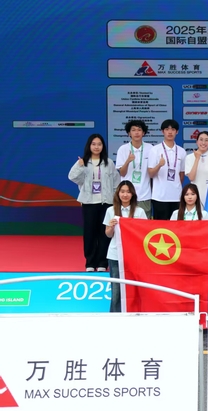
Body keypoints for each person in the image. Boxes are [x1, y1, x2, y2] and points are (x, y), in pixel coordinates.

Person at [68, 134, 119, 272]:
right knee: (90, 233)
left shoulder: (109, 163)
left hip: (106, 203)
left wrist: (114, 201)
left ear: (103, 146)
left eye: (99, 144)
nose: (96, 147)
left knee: (104, 233)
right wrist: (79, 166)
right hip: (89, 202)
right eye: (94, 144)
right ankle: (90, 262)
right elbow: (72, 177)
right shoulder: (83, 162)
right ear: (89, 146)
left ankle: (102, 262)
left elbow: (116, 183)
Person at [103, 180, 147, 312]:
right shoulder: (111, 210)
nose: (125, 195)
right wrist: (111, 227)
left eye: (128, 192)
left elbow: (145, 233)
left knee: (135, 288)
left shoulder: (139, 211)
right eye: (122, 192)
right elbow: (108, 234)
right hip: (115, 255)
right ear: (118, 193)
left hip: (134, 256)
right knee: (116, 291)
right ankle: (115, 317)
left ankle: (134, 315)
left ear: (132, 194)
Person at [147, 119, 186, 220]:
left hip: (176, 196)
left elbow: (181, 174)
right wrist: (159, 165)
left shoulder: (181, 151)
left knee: (176, 226)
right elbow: (150, 174)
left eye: (173, 129)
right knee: (161, 226)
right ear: (162, 131)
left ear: (177, 132)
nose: (170, 132)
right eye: (167, 129)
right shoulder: (155, 150)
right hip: (159, 197)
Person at [115, 119, 153, 219]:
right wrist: (128, 161)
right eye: (133, 130)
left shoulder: (150, 148)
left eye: (139, 130)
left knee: (144, 225)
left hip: (144, 194)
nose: (136, 132)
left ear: (143, 133)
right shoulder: (123, 149)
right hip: (127, 195)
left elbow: (152, 173)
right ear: (129, 133)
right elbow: (122, 173)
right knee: (127, 223)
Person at [185, 130, 208, 219]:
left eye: (206, 140)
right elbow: (191, 177)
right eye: (201, 140)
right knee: (196, 218)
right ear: (197, 142)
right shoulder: (189, 157)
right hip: (195, 193)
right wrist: (197, 159)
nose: (203, 143)